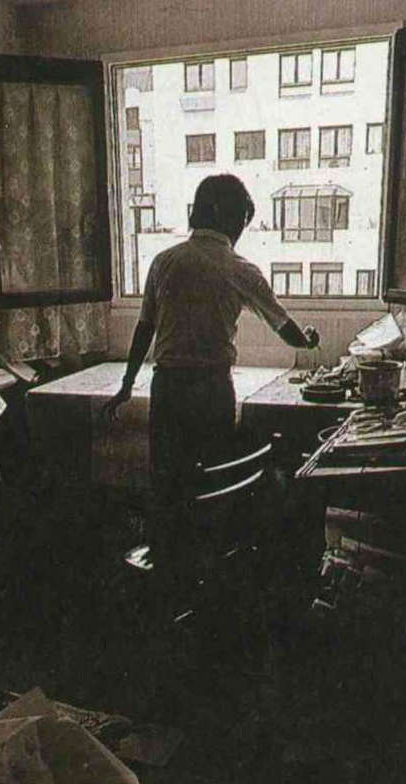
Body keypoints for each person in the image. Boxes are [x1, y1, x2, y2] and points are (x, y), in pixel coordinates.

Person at [103, 174, 320, 557]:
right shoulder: (240, 269)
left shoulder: (164, 261)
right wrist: (309, 340)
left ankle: (168, 563)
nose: (241, 232)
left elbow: (144, 329)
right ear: (227, 215)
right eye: (242, 221)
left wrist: (126, 385)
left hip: (167, 389)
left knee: (167, 482)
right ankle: (207, 564)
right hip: (211, 391)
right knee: (213, 483)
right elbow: (284, 327)